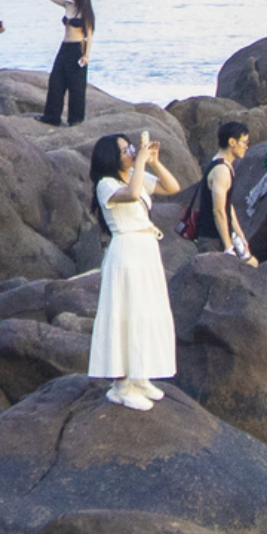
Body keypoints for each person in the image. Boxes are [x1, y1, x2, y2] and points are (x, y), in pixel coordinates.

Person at [85, 130, 180, 408]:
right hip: (126, 251)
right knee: (126, 312)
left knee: (146, 311)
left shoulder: (133, 175)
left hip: (146, 249)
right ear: (111, 157)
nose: (130, 153)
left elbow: (172, 187)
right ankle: (122, 384)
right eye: (125, 150)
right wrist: (139, 162)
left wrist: (153, 161)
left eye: (130, 149)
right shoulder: (106, 184)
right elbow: (133, 193)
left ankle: (139, 375)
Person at [189, 119, 252, 258]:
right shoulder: (221, 170)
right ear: (232, 142)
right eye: (244, 142)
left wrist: (240, 235)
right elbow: (218, 211)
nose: (246, 147)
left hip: (218, 237)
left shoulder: (224, 165)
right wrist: (228, 247)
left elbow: (228, 206)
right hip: (212, 239)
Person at [42, 0, 95, 127]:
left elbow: (89, 34)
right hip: (64, 47)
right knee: (56, 81)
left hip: (77, 48)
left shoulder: (86, 11)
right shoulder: (68, 5)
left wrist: (86, 55)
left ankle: (75, 119)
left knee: (76, 86)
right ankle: (52, 116)